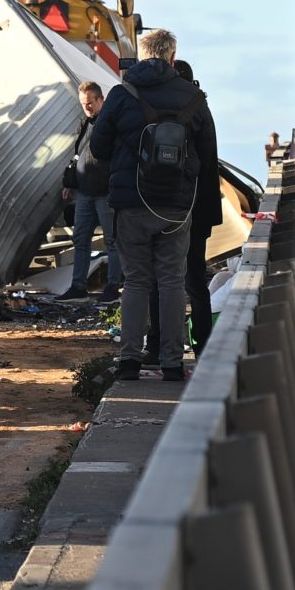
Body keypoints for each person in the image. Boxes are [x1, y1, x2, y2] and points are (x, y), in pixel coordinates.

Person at [90, 28, 215, 382]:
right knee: (173, 281)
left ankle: (130, 360)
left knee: (137, 282)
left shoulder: (121, 94)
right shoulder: (193, 97)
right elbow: (207, 154)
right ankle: (173, 363)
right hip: (176, 206)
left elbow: (98, 149)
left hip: (132, 203)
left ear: (142, 55)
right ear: (172, 57)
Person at [172, 58, 225, 356]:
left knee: (167, 280)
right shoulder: (201, 107)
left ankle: (168, 345)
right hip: (201, 208)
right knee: (196, 281)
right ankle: (201, 343)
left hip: (175, 207)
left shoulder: (180, 110)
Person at [56, 80, 112, 301]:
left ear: (101, 100)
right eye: (83, 104)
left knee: (111, 240)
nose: (86, 107)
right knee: (81, 239)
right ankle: (78, 286)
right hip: (85, 192)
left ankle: (111, 287)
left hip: (104, 192)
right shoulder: (87, 123)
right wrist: (71, 183)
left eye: (90, 103)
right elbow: (80, 155)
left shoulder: (109, 124)